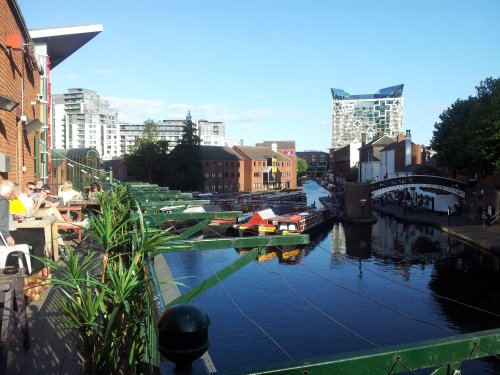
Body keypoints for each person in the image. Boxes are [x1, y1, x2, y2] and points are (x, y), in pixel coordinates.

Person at [0, 179, 46, 275]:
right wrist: (7, 235)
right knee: (40, 238)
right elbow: (1, 221)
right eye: (11, 193)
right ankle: (37, 268)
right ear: (9, 191)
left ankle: (33, 264)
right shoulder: (3, 201)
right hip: (8, 234)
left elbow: (4, 216)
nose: (11, 195)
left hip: (6, 234)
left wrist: (14, 216)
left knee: (36, 235)